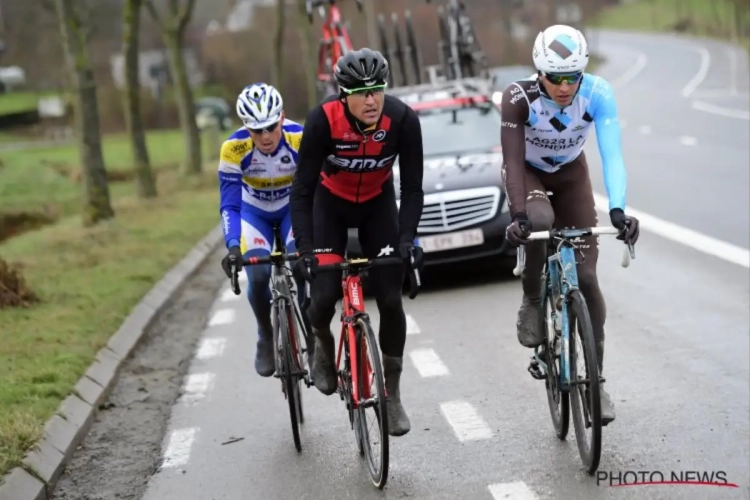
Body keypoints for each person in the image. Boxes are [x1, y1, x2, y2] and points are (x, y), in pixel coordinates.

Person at [499, 25, 640, 425]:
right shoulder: (518, 98)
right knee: (540, 221)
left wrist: (618, 211)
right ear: (538, 72)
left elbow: (612, 156)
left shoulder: (598, 93)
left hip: (570, 174)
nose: (565, 87)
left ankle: (596, 382)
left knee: (588, 278)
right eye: (556, 78)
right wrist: (518, 216)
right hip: (528, 175)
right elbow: (510, 161)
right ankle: (531, 299)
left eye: (573, 77)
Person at [289, 48, 425, 437]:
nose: (371, 100)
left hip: (377, 206)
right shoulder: (322, 121)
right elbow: (301, 192)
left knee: (389, 298)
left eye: (377, 90)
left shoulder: (401, 119)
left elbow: (413, 189)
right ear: (343, 94)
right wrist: (304, 249)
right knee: (323, 293)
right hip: (328, 205)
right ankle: (321, 340)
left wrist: (407, 240)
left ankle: (393, 393)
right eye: (362, 92)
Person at [218, 82, 311, 378]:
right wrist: (233, 246)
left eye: (271, 127)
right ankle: (265, 335)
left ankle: (312, 329)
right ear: (246, 128)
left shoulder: (300, 139)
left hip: (291, 208)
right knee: (257, 274)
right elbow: (229, 205)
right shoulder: (233, 149)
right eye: (257, 130)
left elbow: (316, 191)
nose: (266, 136)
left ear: (282, 117)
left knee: (302, 262)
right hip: (253, 211)